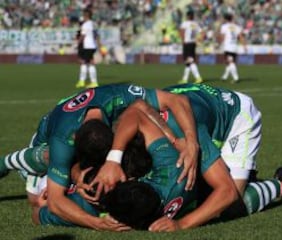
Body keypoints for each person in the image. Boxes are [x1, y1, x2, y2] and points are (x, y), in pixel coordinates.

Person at [0, 83, 199, 231]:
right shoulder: (63, 140)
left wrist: (186, 142)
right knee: (39, 193)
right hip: (48, 138)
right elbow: (53, 203)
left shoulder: (118, 96)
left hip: (92, 142)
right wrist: (96, 223)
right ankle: (5, 162)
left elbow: (168, 101)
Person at [75, 9, 100, 88]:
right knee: (90, 62)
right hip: (92, 45)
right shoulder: (93, 24)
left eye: (83, 15)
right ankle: (92, 81)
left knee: (84, 62)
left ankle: (83, 81)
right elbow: (96, 35)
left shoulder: (85, 25)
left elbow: (83, 36)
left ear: (86, 16)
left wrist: (78, 43)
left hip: (87, 45)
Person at [219, 13, 247, 83]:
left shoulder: (224, 26)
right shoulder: (237, 27)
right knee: (229, 62)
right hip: (234, 46)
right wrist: (244, 46)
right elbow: (240, 37)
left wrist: (219, 44)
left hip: (228, 46)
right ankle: (224, 77)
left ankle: (236, 78)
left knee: (230, 62)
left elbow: (222, 37)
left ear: (225, 19)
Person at [178, 10, 203, 84]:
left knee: (190, 61)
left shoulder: (185, 23)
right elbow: (202, 32)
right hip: (193, 43)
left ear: (188, 16)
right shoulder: (195, 24)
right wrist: (199, 40)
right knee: (188, 62)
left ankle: (198, 77)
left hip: (187, 43)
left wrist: (182, 40)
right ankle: (184, 79)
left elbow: (182, 32)